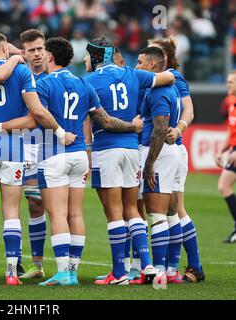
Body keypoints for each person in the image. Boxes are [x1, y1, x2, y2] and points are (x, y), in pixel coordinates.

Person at [0, 37, 143, 286]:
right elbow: (102, 118)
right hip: (81, 155)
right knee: (76, 214)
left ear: (49, 56)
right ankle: (73, 269)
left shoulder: (46, 84)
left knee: (57, 213)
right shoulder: (83, 83)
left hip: (54, 154)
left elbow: (35, 117)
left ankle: (63, 273)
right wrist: (132, 126)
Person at [0, 31, 76, 286]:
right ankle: (10, 273)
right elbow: (35, 113)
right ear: (6, 49)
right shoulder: (21, 72)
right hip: (14, 142)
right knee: (11, 210)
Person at [83, 37, 174, 285]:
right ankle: (146, 266)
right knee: (132, 209)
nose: (84, 60)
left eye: (87, 56)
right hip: (132, 152)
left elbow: (102, 121)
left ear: (96, 56)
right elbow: (169, 77)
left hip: (106, 150)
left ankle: (119, 273)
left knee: (113, 212)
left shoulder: (88, 81)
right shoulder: (132, 74)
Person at [149, 37, 205, 282]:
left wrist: (180, 128)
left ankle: (192, 266)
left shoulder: (173, 76)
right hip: (164, 149)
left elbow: (189, 108)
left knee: (174, 209)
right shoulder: (156, 79)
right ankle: (174, 268)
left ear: (165, 57)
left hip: (172, 149)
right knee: (169, 210)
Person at [136, 46, 182, 285]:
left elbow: (161, 127)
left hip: (158, 155)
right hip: (168, 154)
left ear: (152, 65)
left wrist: (149, 163)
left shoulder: (158, 92)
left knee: (156, 215)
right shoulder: (170, 88)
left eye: (140, 62)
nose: (137, 67)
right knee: (168, 213)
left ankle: (161, 270)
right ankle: (171, 270)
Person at [18, 28, 48, 279]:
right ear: (24, 52)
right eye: (31, 50)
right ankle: (34, 265)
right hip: (25, 145)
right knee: (32, 203)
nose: (37, 54)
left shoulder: (58, 73)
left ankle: (66, 264)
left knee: (58, 204)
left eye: (40, 48)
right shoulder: (18, 74)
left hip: (53, 145)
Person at [216, 71, 236, 244]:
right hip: (234, 150)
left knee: (224, 185)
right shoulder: (232, 104)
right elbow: (231, 131)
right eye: (228, 82)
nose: (228, 85)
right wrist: (221, 150)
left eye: (231, 82)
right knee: (224, 186)